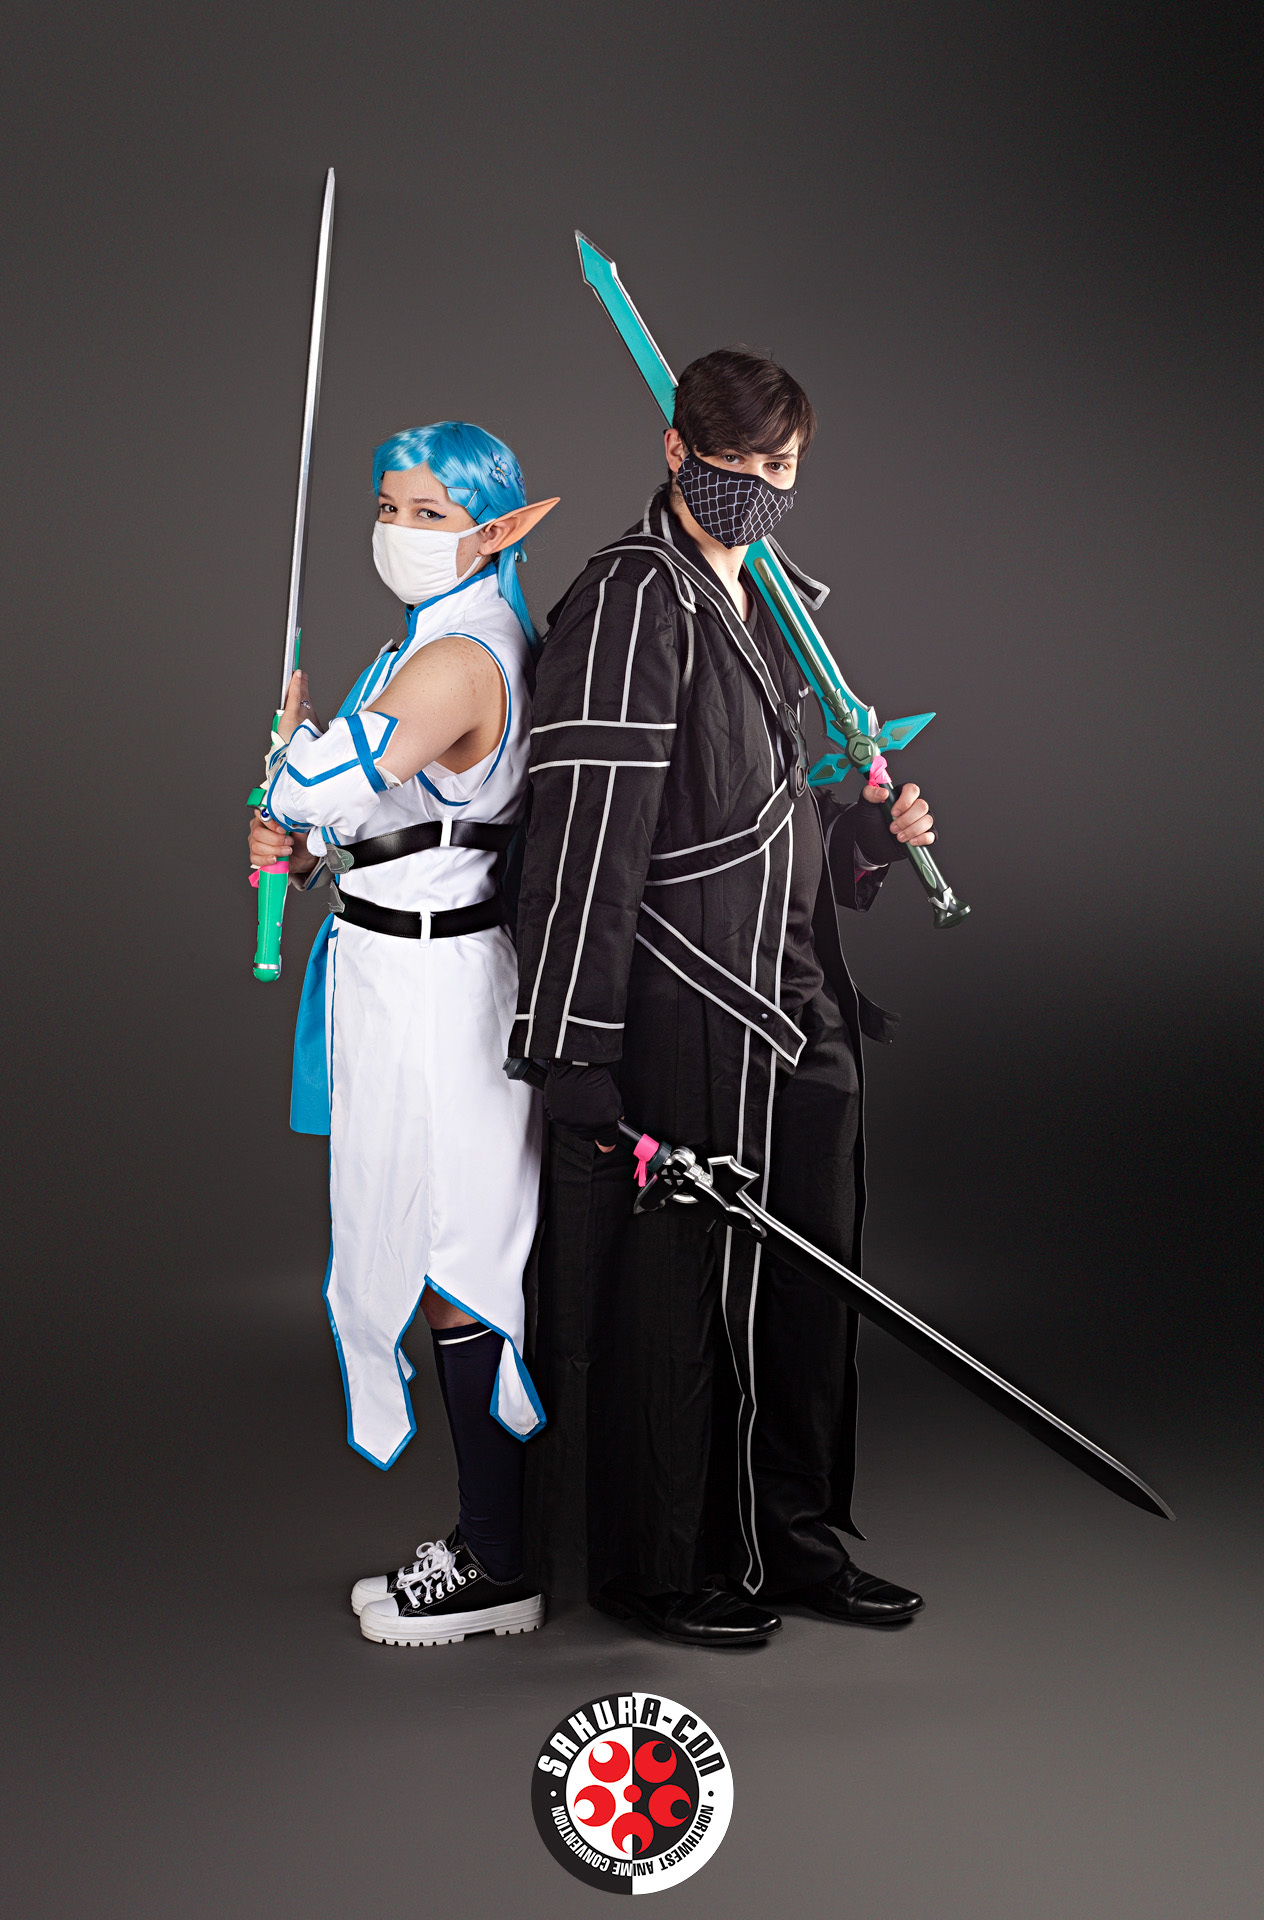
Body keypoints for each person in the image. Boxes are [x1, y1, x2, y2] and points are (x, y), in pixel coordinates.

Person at [509, 349, 938, 1647]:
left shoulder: (769, 603)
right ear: (674, 448)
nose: (755, 483)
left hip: (796, 1000)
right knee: (679, 1291)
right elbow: (585, 837)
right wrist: (574, 1048)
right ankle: (663, 1568)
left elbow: (759, 818)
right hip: (687, 1003)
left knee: (808, 1286)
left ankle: (788, 1543)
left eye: (778, 464)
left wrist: (858, 839)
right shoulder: (630, 601)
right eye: (732, 459)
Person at [250, 420, 557, 1646]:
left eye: (430, 512)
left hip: (438, 992)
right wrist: (307, 842)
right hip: (393, 973)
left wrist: (292, 775)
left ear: (495, 530)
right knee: (433, 1253)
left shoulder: (462, 657)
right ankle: (495, 1539)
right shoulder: (427, 640)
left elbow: (324, 783)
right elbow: (369, 813)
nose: (400, 529)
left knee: (457, 1260)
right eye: (389, 505)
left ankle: (499, 1562)